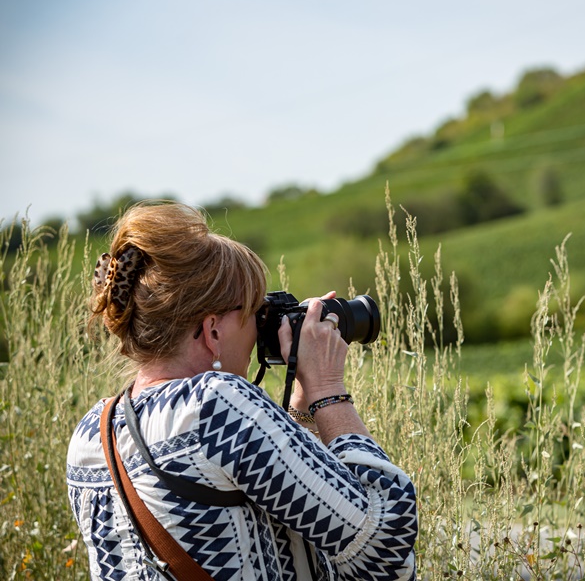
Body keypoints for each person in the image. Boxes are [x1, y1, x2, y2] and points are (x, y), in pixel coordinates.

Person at [66, 201, 417, 580]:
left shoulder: (90, 435)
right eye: (253, 312)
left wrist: (298, 413)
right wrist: (328, 389)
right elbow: (385, 542)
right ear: (212, 330)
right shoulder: (216, 403)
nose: (259, 328)